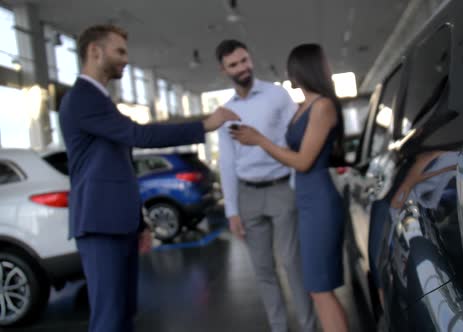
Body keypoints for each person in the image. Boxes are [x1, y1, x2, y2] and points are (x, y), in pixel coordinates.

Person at [59, 25, 238, 332]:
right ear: (94, 51)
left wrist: (139, 222)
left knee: (124, 315)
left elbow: (118, 167)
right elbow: (138, 135)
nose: (126, 60)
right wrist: (204, 124)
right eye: (120, 51)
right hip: (100, 224)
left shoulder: (100, 101)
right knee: (109, 319)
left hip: (116, 222)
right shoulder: (83, 98)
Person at [231, 43, 349, 332]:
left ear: (300, 70)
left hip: (319, 200)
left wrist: (260, 140)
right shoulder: (303, 107)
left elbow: (303, 161)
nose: (288, 74)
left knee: (321, 288)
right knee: (314, 288)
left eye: (290, 68)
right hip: (306, 199)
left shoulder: (322, 106)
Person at [215, 39, 316, 332]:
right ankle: (279, 328)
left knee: (291, 263)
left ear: (251, 59)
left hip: (282, 187)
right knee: (262, 271)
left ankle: (309, 327)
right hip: (247, 195)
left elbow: (297, 140)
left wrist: (296, 186)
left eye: (244, 60)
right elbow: (227, 163)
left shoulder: (277, 95)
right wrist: (231, 211)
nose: (242, 68)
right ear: (224, 70)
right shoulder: (226, 113)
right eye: (234, 64)